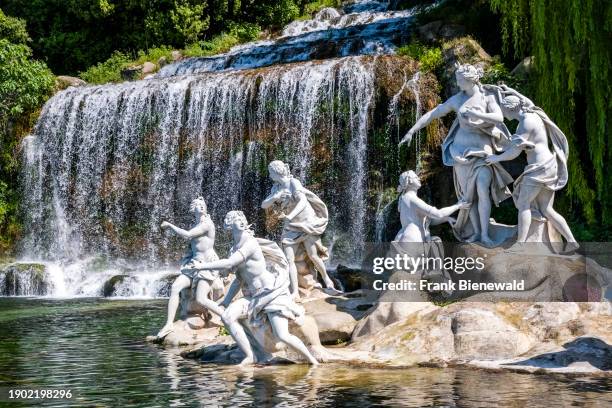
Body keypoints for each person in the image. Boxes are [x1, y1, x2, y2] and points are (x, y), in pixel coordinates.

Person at [400, 64, 514, 247]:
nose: (457, 82)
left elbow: (499, 117)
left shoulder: (487, 97)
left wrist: (479, 114)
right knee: (470, 198)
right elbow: (434, 113)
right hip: (460, 153)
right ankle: (477, 233)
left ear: (472, 79)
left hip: (482, 152)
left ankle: (485, 234)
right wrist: (411, 131)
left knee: (483, 190)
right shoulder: (457, 99)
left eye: (460, 80)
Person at [190, 210, 319, 366]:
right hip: (252, 297)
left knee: (283, 335)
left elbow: (230, 263)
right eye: (238, 219)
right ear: (229, 224)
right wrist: (226, 302)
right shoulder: (234, 249)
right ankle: (251, 355)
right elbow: (238, 280)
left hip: (271, 293)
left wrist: (202, 267)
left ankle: (312, 360)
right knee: (227, 317)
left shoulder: (250, 243)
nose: (242, 221)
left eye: (243, 219)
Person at [485, 85, 577, 250]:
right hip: (549, 165)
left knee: (523, 204)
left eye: (504, 111)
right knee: (546, 209)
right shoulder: (531, 112)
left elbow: (513, 153)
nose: (503, 115)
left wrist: (495, 158)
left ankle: (521, 244)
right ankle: (571, 241)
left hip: (538, 168)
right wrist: (509, 90)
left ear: (509, 109)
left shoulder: (525, 124)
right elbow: (524, 100)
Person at [261, 160, 335, 297]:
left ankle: (327, 280)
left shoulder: (293, 183)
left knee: (313, 255)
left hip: (306, 223)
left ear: (277, 172)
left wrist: (290, 216)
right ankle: (294, 291)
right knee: (289, 260)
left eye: (271, 172)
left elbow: (302, 201)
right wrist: (275, 197)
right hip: (290, 227)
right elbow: (264, 205)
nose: (269, 175)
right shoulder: (275, 188)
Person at [156, 197, 223, 339]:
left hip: (205, 265)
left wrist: (169, 225)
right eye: (198, 205)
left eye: (203, 204)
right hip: (193, 265)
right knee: (175, 287)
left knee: (201, 299)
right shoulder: (196, 224)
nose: (201, 207)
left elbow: (188, 235)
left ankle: (225, 317)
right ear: (193, 209)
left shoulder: (207, 224)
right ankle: (169, 324)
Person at [395, 170, 469, 243]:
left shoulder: (403, 199)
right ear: (410, 181)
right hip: (413, 237)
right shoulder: (413, 200)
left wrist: (446, 218)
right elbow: (438, 214)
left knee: (436, 241)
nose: (418, 178)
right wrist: (458, 206)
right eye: (415, 177)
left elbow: (426, 221)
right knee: (436, 243)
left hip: (401, 237)